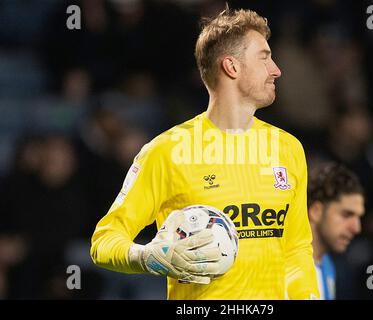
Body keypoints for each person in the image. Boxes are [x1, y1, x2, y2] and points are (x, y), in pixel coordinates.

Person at [90, 6, 319, 300]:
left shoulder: (288, 148)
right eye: (264, 58)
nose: (276, 69)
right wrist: (149, 256)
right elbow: (104, 241)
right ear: (232, 67)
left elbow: (296, 248)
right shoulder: (167, 151)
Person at [307, 162, 365, 299]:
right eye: (346, 215)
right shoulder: (284, 270)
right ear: (316, 211)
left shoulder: (327, 265)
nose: (356, 228)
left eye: (358, 217)